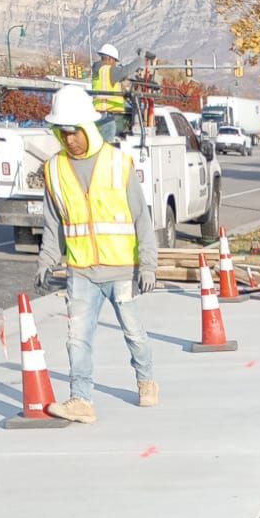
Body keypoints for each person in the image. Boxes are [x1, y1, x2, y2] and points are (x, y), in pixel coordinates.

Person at [34, 84, 158, 424]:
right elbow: (52, 223)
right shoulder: (55, 170)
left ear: (88, 128)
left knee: (133, 332)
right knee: (77, 338)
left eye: (75, 131)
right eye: (64, 132)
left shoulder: (118, 163)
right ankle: (81, 400)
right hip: (82, 270)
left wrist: (148, 264)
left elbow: (140, 217)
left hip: (121, 269)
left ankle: (146, 382)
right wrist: (46, 260)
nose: (70, 139)